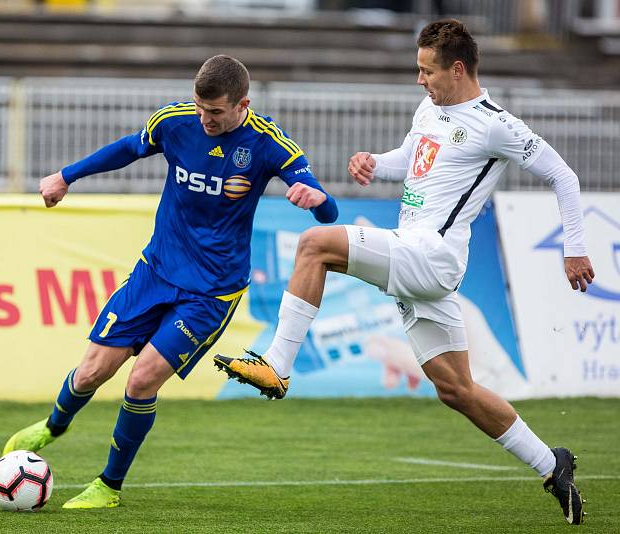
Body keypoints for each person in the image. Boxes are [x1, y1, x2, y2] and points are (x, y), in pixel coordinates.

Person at [214, 20, 593, 525]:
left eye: (427, 71)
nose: (420, 80)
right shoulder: (429, 108)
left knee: (314, 244)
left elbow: (563, 176)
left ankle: (277, 366)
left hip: (431, 256)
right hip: (417, 259)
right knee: (457, 390)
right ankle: (553, 464)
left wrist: (574, 248)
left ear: (457, 70)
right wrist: (377, 162)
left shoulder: (496, 123)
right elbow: (414, 159)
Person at [2, 54, 339, 510]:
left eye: (216, 112)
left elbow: (328, 210)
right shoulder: (176, 121)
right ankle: (54, 426)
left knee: (141, 381)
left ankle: (108, 486)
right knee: (91, 371)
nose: (206, 119)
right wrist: (66, 176)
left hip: (211, 292)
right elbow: (128, 148)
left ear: (243, 104)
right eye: (201, 109)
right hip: (155, 272)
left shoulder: (268, 144)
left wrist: (318, 200)